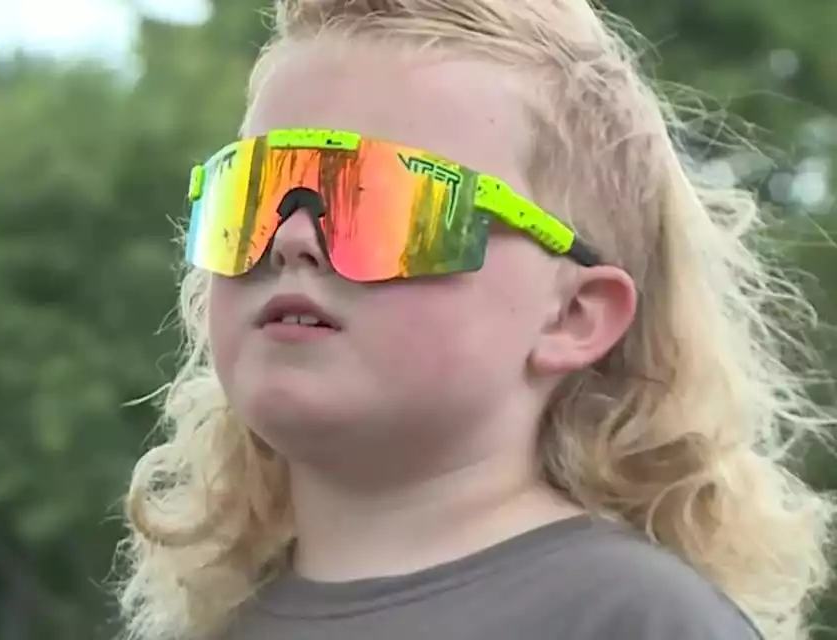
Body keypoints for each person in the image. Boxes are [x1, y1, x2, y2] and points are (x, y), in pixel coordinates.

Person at [115, 1, 834, 639]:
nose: (293, 238)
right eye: (253, 198)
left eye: (384, 204)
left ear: (574, 316)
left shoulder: (636, 619)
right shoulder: (221, 619)